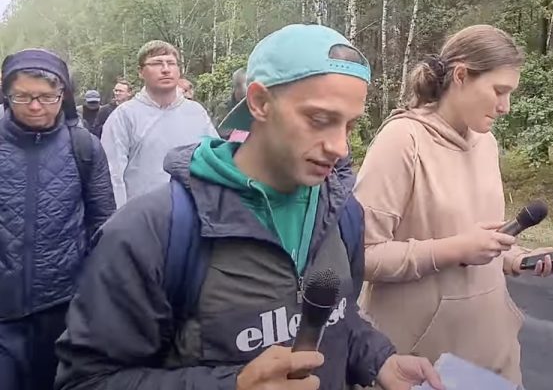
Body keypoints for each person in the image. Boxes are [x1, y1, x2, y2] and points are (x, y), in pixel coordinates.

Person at [54, 24, 443, 390]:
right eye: (319, 119)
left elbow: (338, 319)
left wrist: (378, 359)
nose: (340, 147)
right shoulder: (150, 231)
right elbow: (87, 380)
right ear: (259, 102)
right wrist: (233, 385)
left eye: (350, 126)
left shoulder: (343, 213)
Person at [353, 24, 553, 386]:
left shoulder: (487, 143)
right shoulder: (402, 140)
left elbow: (481, 237)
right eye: (499, 91)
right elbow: (361, 256)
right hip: (421, 364)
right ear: (461, 76)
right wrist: (455, 250)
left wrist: (516, 257)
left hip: (494, 358)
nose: (505, 107)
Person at [0, 49, 115, 390]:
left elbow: (103, 224)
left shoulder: (84, 147)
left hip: (63, 307)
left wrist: (97, 294)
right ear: (7, 96)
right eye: (23, 96)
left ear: (63, 94)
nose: (35, 106)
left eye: (47, 97)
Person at [101, 41, 219, 208]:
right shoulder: (124, 116)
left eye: (171, 63)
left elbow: (215, 161)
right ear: (141, 72)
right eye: (157, 63)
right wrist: (120, 217)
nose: (165, 69)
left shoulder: (196, 112)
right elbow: (112, 175)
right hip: (141, 215)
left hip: (193, 213)